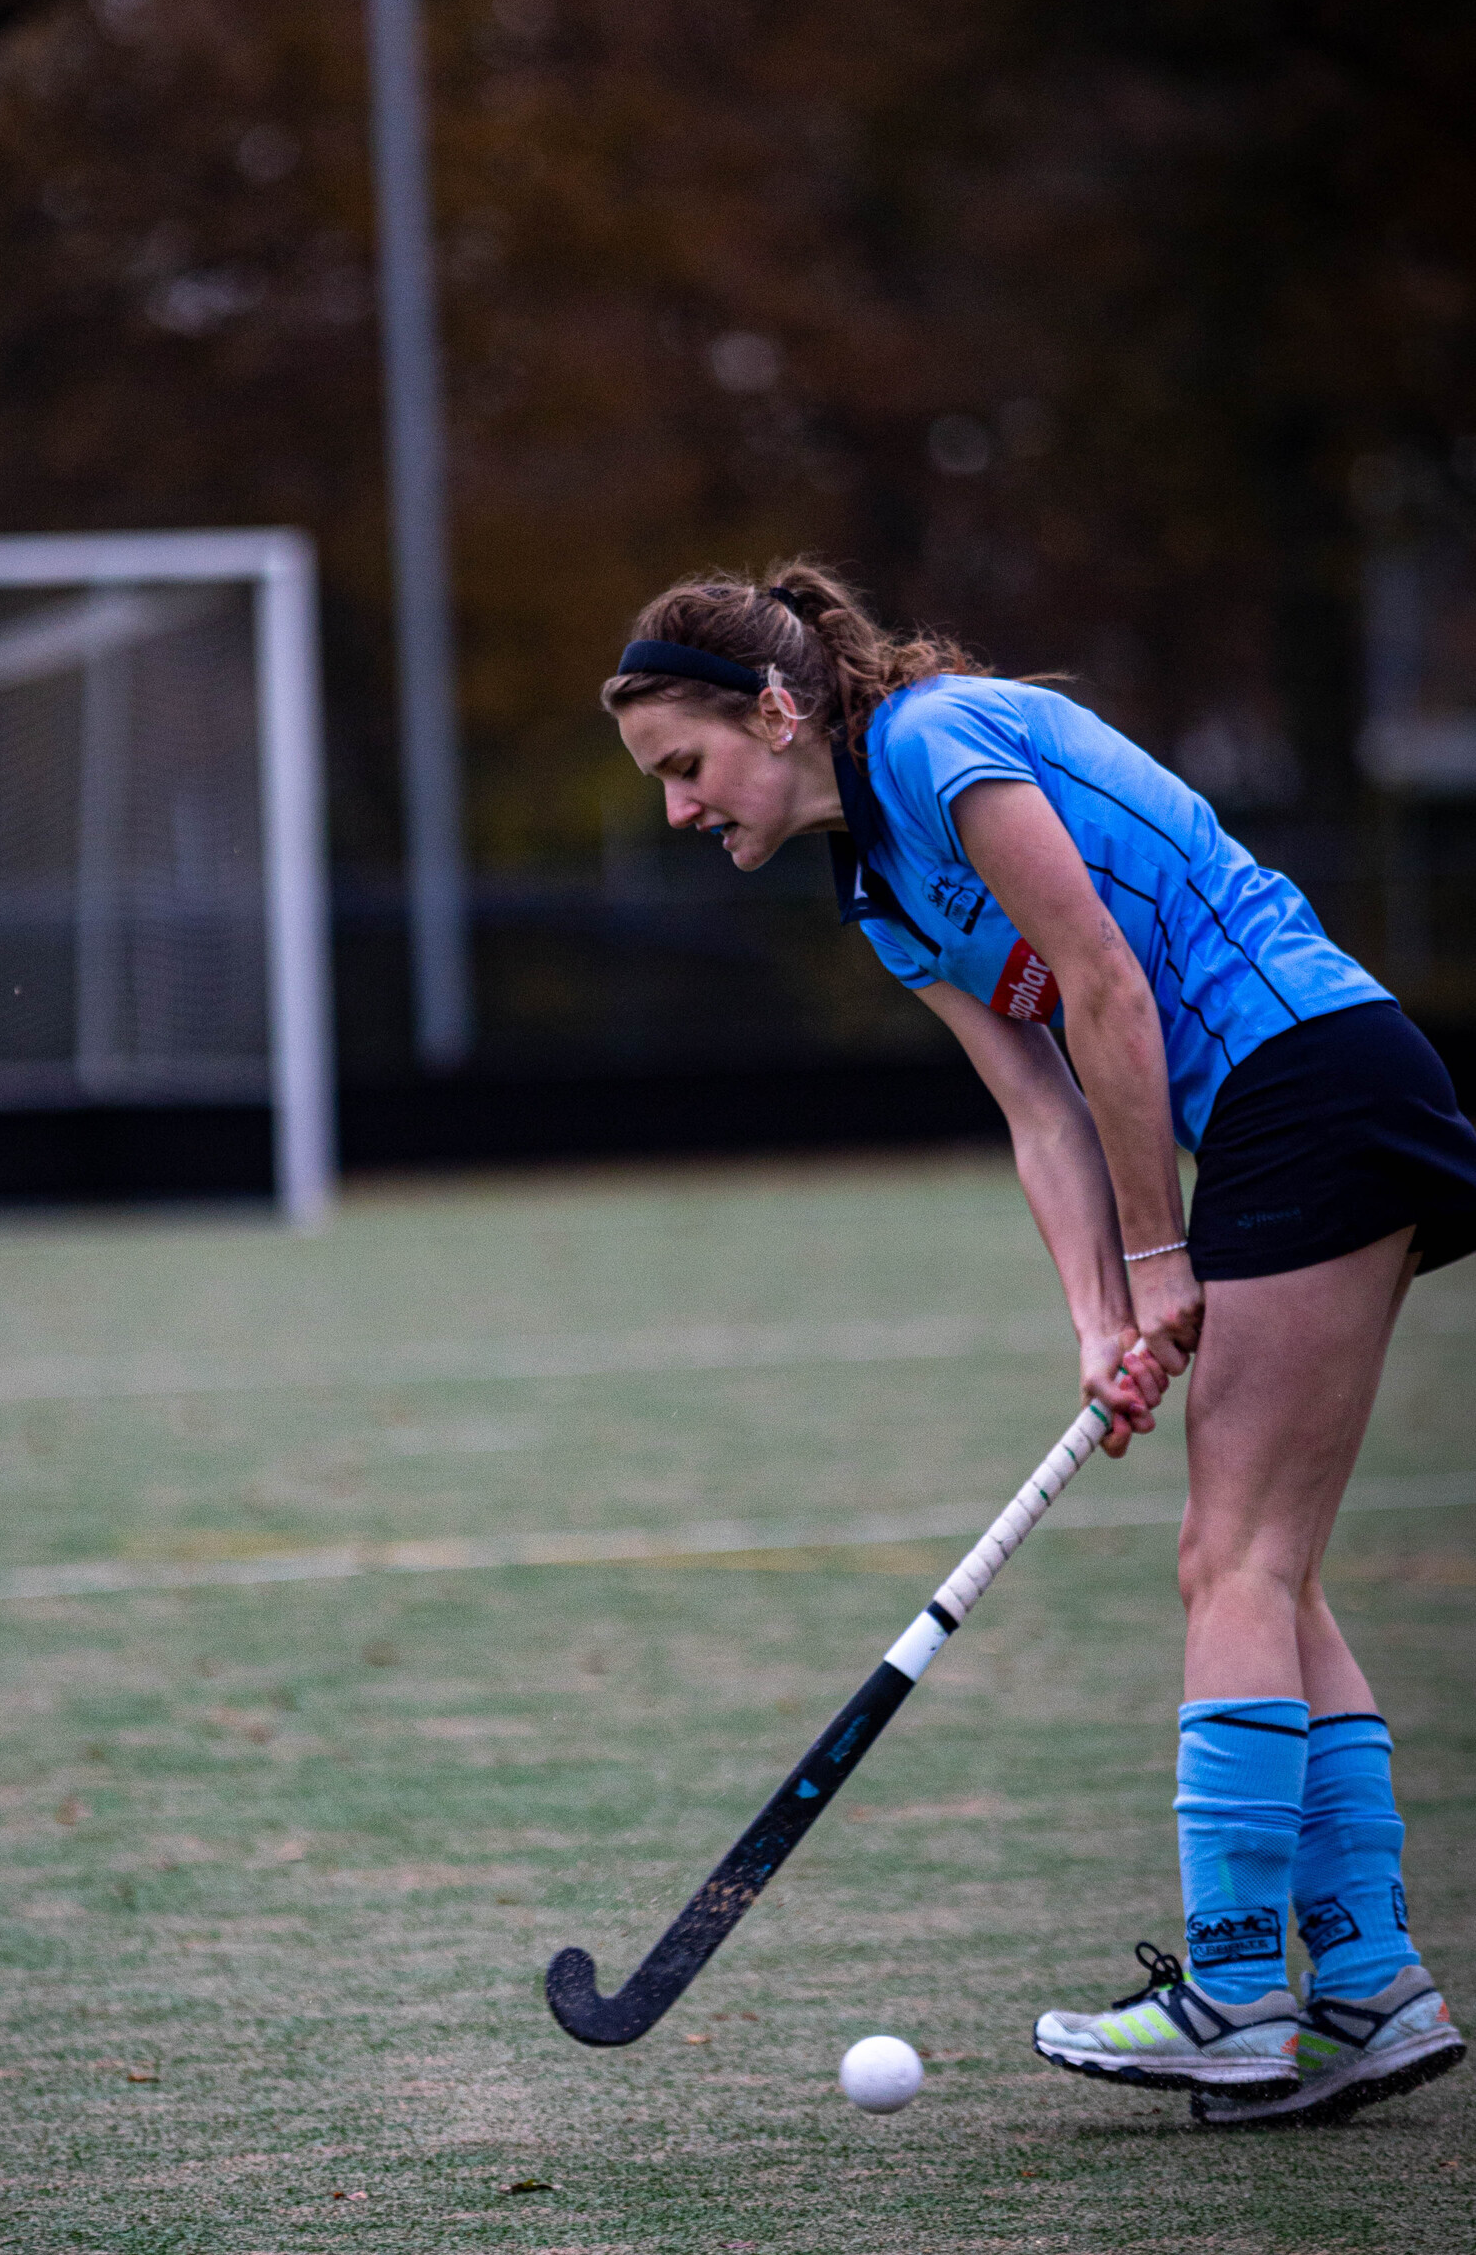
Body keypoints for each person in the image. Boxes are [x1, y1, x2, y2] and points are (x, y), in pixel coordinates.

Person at [603, 559, 1471, 2126]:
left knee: (1232, 1563)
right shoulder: (873, 888)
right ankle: (1366, 1980)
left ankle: (1228, 1991)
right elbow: (1038, 1106)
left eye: (686, 767)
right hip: (1290, 1109)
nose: (679, 809)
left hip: (1306, 1075)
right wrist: (1098, 1315)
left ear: (777, 709)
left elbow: (1104, 982)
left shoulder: (937, 742)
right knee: (1268, 1561)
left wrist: (1159, 1253)